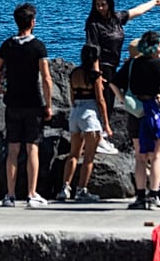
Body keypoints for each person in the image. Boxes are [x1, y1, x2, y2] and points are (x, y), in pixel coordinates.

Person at [85, 0, 160, 154]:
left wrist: (154, 2)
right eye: (97, 5)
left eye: (103, 5)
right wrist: (96, 74)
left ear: (109, 4)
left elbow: (137, 11)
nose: (100, 8)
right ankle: (98, 139)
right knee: (102, 102)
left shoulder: (117, 18)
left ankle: (100, 137)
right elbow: (92, 50)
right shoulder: (93, 24)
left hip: (114, 66)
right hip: (101, 66)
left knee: (109, 102)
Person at [0, 3, 53, 208]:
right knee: (32, 147)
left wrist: (1, 83)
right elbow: (45, 78)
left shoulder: (7, 45)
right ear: (33, 22)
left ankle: (9, 195)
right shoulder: (38, 47)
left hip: (13, 102)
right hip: (33, 102)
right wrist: (48, 104)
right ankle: (31, 193)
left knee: (13, 149)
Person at [56, 44, 111, 202]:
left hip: (75, 112)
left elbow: (72, 96)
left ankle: (65, 188)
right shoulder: (95, 76)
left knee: (73, 154)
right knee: (88, 157)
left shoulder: (74, 73)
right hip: (89, 113)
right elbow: (100, 101)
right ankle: (81, 190)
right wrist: (106, 124)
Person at [125, 31, 160, 210]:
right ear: (154, 47)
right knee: (156, 156)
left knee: (140, 157)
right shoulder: (157, 64)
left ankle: (140, 196)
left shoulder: (133, 64)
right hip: (152, 111)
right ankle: (154, 195)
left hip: (135, 114)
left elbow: (114, 83)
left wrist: (124, 101)